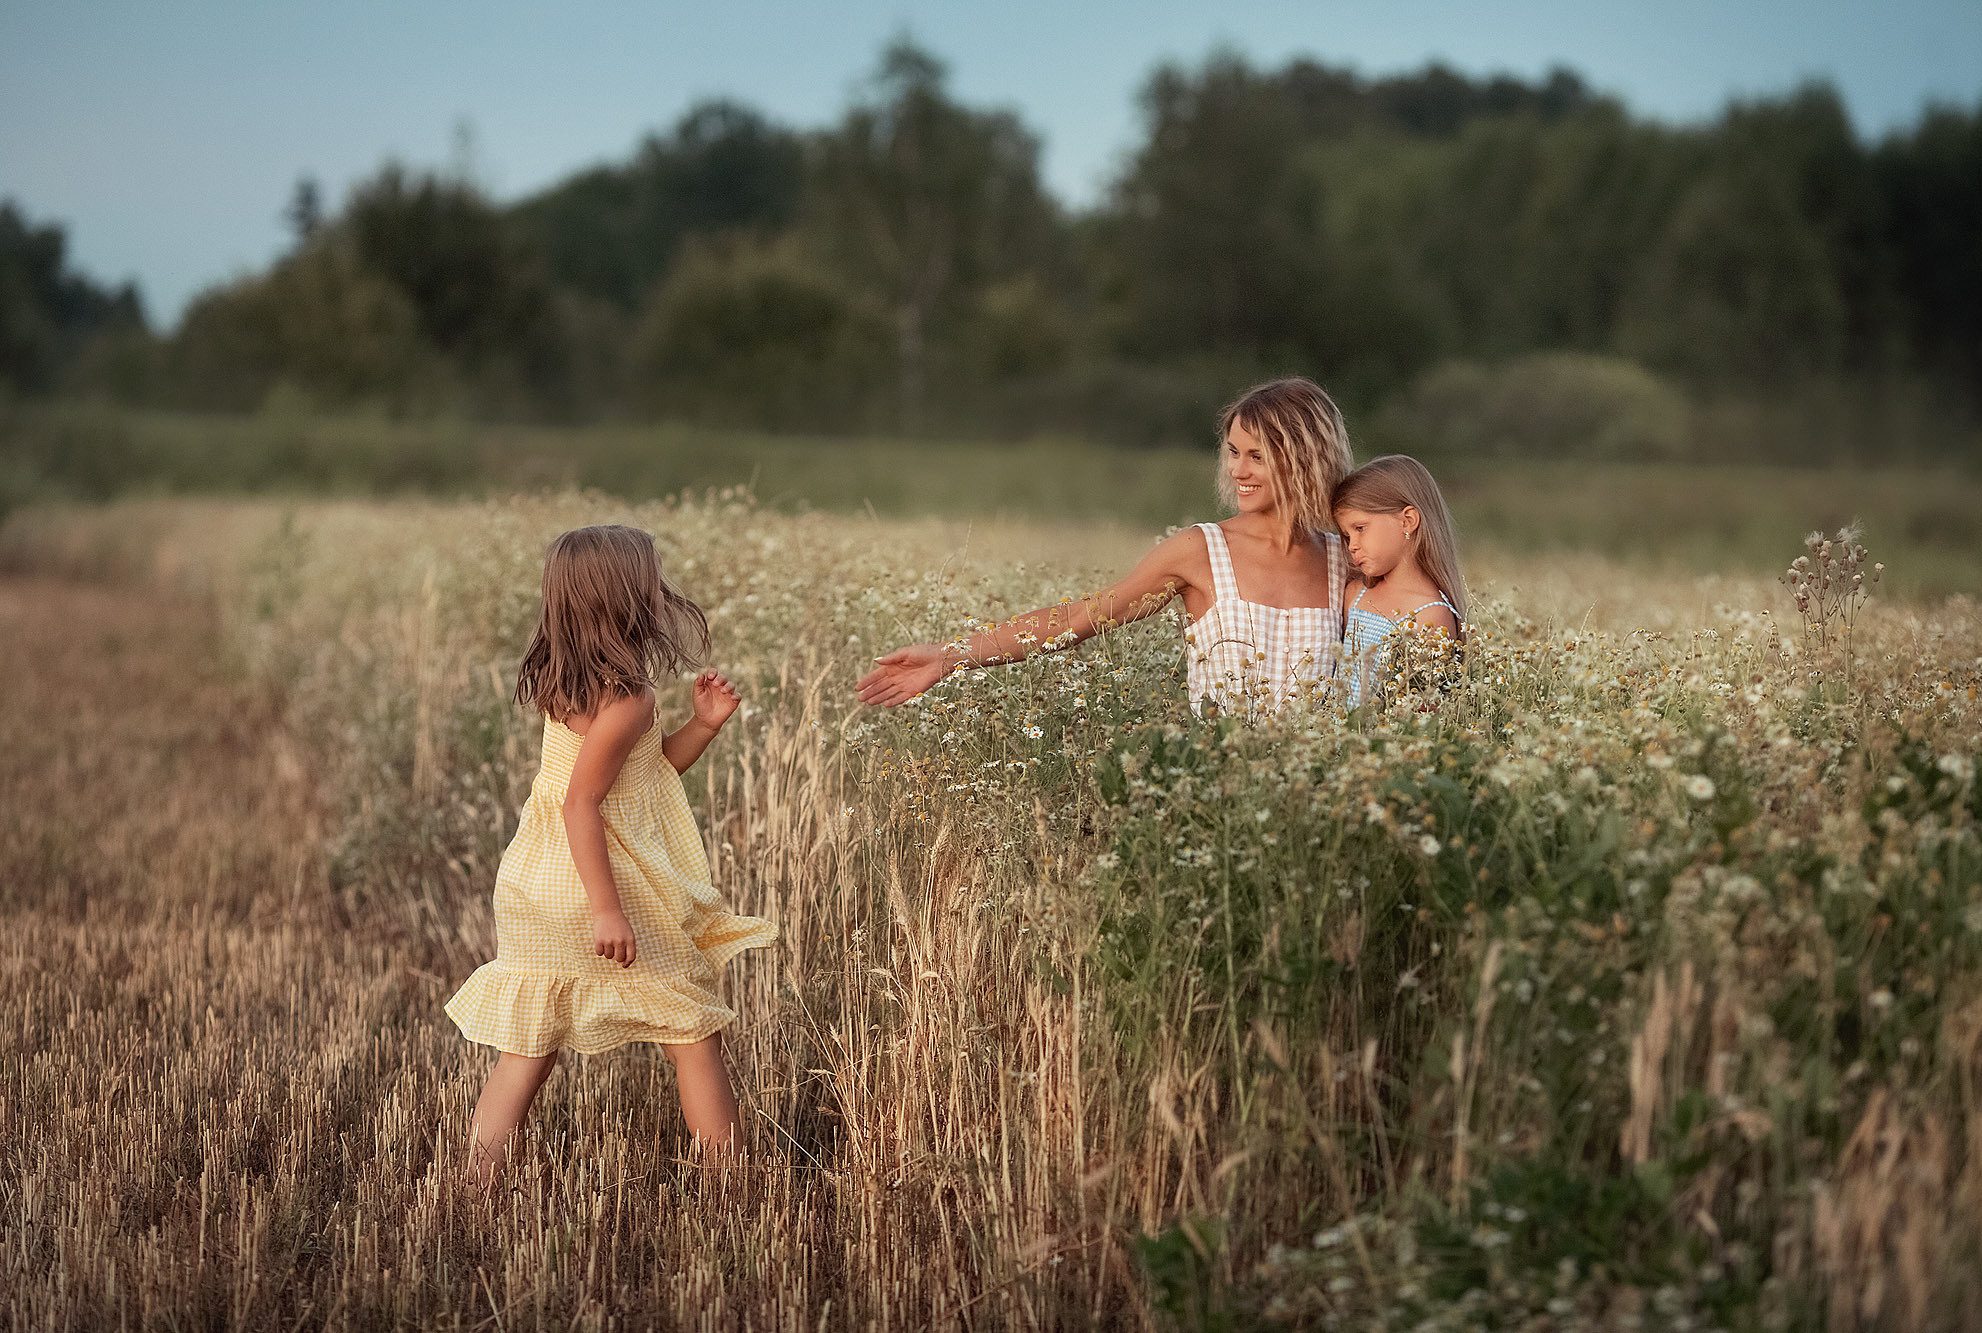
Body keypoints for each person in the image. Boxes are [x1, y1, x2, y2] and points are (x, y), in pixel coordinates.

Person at [445, 525, 776, 1180]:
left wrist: (703, 726)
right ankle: (732, 1184)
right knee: (692, 1032)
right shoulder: (629, 698)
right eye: (652, 581)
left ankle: (472, 1182)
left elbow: (638, 780)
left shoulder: (565, 680)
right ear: (624, 598)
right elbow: (583, 803)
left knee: (527, 1049)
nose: (662, 591)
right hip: (597, 883)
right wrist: (607, 909)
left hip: (540, 878)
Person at [857, 378, 1354, 717]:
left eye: (1256, 457)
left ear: (1304, 457)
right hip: (1223, 788)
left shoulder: (1345, 559)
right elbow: (1077, 619)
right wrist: (948, 658)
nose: (1237, 470)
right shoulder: (1201, 550)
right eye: (1232, 452)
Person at [1330, 454, 1469, 710]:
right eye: (1347, 535)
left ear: (1407, 521)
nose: (1352, 545)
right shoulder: (1355, 593)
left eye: (1360, 528)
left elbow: (1420, 714)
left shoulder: (1431, 616)